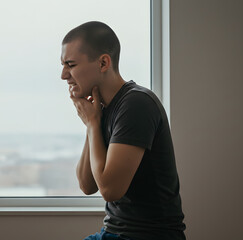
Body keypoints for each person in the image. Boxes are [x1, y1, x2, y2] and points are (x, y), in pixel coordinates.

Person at [60, 21, 186, 240]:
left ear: (103, 63)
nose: (63, 75)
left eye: (70, 65)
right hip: (113, 233)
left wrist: (92, 123)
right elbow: (86, 185)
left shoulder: (136, 103)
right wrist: (93, 123)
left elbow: (109, 190)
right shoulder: (103, 110)